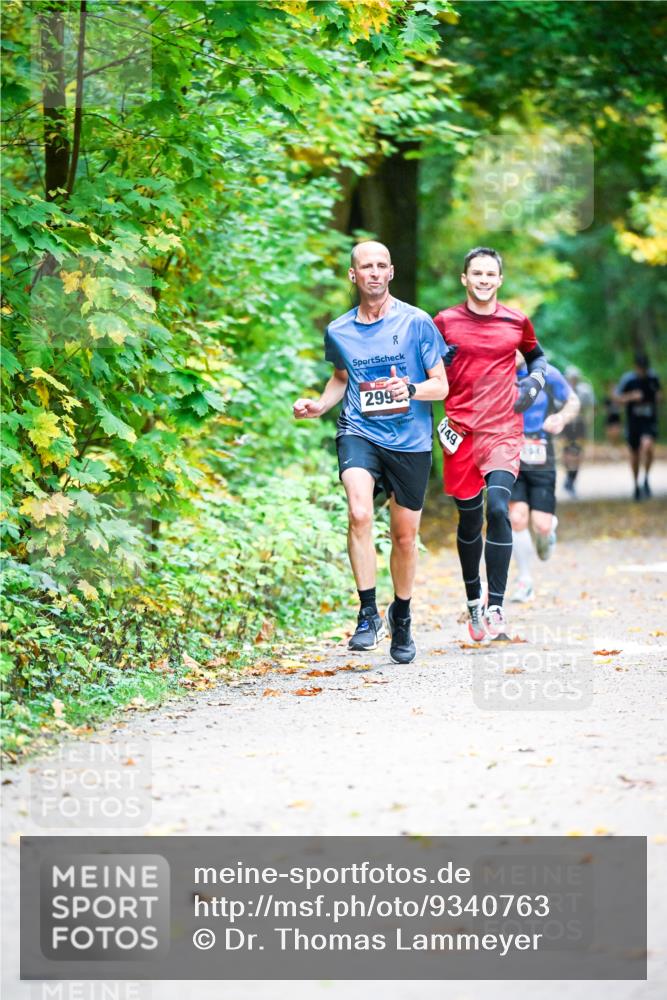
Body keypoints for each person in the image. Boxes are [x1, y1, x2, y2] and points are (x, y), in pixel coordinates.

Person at [293, 241, 448, 664]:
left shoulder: (417, 323)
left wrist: (411, 389)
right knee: (359, 513)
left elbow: (442, 385)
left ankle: (402, 615)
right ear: (353, 275)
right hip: (358, 430)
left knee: (404, 536)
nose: (374, 273)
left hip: (410, 440)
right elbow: (341, 378)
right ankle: (367, 614)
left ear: (391, 272)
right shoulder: (339, 330)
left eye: (382, 265)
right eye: (366, 267)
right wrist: (319, 405)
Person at [433, 247, 547, 641]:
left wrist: (534, 382)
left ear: (499, 280)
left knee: (498, 508)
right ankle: (473, 600)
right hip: (461, 433)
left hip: (502, 429)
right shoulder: (444, 322)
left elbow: (537, 358)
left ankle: (496, 605)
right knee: (468, 518)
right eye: (476, 274)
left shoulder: (516, 321)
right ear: (465, 279)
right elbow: (426, 368)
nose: (483, 280)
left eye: (490, 274)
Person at [509, 352, 581, 603]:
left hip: (542, 454)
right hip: (510, 453)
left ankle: (547, 532)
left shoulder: (547, 373)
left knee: (541, 524)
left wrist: (561, 417)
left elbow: (573, 401)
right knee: (516, 518)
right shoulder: (499, 372)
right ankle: (524, 579)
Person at [614, 352, 662, 500]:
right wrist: (631, 397)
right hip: (633, 422)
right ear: (635, 367)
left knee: (647, 446)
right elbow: (616, 398)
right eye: (640, 368)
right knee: (634, 454)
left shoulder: (653, 378)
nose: (642, 371)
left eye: (644, 368)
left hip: (648, 421)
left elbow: (659, 395)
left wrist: (656, 398)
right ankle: (636, 485)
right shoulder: (628, 380)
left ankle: (646, 478)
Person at [561, 365, 595, 498]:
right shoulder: (561, 391)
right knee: (567, 452)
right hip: (565, 425)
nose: (572, 381)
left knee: (578, 452)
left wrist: (588, 420)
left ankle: (571, 478)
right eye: (570, 378)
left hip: (579, 424)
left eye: (575, 378)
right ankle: (569, 476)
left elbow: (591, 407)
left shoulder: (584, 392)